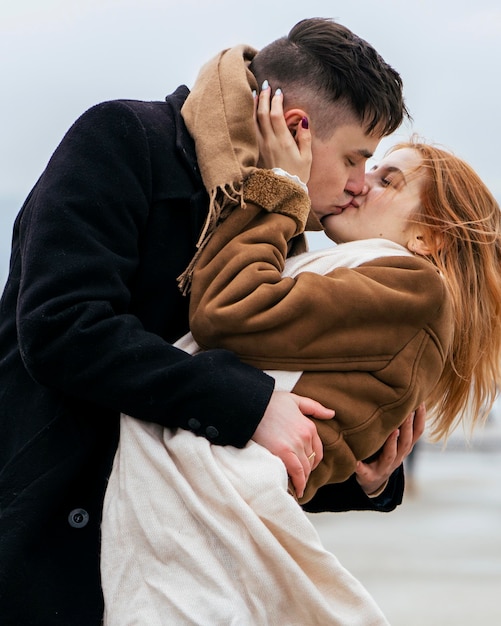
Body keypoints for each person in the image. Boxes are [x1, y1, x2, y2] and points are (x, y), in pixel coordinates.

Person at [0, 18, 419, 625]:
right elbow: (61, 327)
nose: (358, 186)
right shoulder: (125, 138)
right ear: (297, 127)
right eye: (356, 158)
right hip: (45, 546)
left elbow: (214, 450)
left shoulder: (274, 224)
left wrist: (358, 475)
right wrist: (252, 405)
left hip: (174, 571)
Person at [100, 92, 501, 624]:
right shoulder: (370, 279)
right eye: (365, 166)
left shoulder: (412, 287)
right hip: (220, 511)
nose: (361, 183)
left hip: (207, 506)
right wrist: (370, 482)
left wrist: (279, 190)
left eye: (388, 180)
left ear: (429, 235)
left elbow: (229, 312)